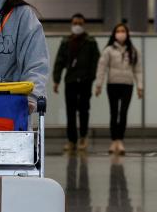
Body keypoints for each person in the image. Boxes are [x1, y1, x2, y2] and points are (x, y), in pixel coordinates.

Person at [52, 13, 100, 152]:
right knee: (70, 111)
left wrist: (91, 77)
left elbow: (96, 61)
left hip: (85, 81)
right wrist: (56, 80)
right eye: (75, 23)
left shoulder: (91, 41)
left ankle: (83, 138)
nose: (77, 26)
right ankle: (71, 140)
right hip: (71, 80)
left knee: (84, 110)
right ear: (71, 24)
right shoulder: (66, 41)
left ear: (83, 25)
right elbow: (59, 62)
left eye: (80, 23)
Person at [94, 23, 143, 155]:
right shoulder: (109, 50)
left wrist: (140, 86)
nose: (121, 33)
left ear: (127, 34)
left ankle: (120, 140)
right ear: (114, 34)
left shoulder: (133, 51)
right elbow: (101, 68)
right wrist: (99, 85)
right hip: (113, 84)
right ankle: (113, 141)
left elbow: (138, 70)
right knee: (114, 112)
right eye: (118, 31)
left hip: (128, 84)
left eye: (123, 31)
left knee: (124, 113)